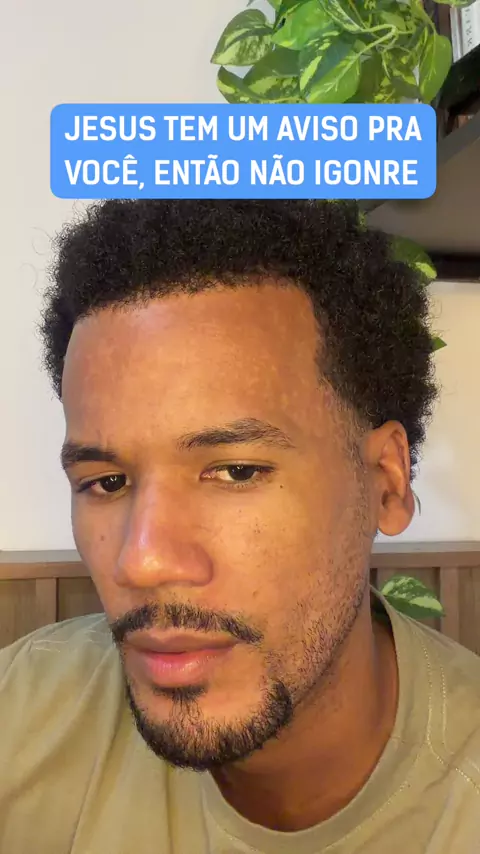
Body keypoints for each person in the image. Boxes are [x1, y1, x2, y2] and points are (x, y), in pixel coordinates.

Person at [1, 199, 479, 854]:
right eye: (107, 483)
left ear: (385, 483)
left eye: (235, 471)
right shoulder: (22, 709)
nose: (142, 562)